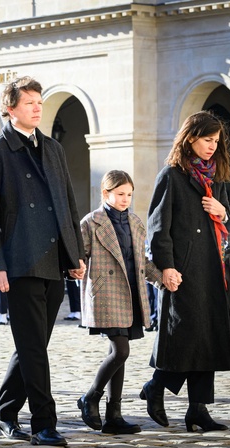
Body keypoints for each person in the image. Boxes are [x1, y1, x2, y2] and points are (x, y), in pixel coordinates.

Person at [0, 76, 86, 446]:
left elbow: (68, 204)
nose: (37, 108)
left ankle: (3, 413)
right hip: (19, 262)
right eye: (29, 103)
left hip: (54, 260)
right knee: (34, 348)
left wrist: (75, 253)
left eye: (40, 102)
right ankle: (44, 424)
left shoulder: (53, 148)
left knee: (32, 346)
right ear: (10, 109)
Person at [142, 110, 230, 432]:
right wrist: (167, 267)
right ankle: (156, 385)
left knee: (207, 337)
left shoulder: (216, 178)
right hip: (182, 271)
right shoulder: (171, 176)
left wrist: (222, 213)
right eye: (207, 140)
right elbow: (158, 228)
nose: (213, 146)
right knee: (184, 336)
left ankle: (198, 410)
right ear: (190, 138)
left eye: (216, 141)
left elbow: (227, 226)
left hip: (212, 268)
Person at [77, 170, 164, 434]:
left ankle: (113, 416)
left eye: (129, 194)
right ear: (106, 193)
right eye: (120, 194)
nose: (126, 199)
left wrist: (162, 279)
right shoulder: (91, 222)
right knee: (120, 351)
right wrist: (75, 267)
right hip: (106, 294)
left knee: (119, 355)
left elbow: (142, 261)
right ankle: (90, 397)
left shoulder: (135, 222)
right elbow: (78, 255)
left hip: (132, 293)